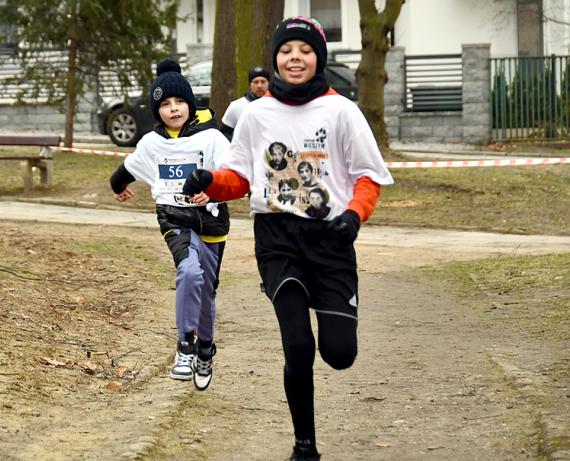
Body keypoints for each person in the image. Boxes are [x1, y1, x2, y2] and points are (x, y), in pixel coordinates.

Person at [182, 16, 394, 460]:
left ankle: (338, 320)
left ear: (318, 58)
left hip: (331, 239)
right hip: (277, 237)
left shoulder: (342, 111)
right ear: (276, 59)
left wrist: (354, 218)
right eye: (286, 51)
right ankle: (305, 447)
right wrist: (209, 180)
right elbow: (239, 179)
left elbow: (369, 178)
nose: (294, 57)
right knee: (298, 345)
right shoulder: (256, 115)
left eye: (304, 50)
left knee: (339, 354)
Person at [109, 59, 231, 392]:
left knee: (206, 292)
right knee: (188, 273)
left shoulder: (211, 138)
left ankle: (205, 349)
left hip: (211, 222)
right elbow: (127, 168)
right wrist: (118, 187)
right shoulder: (152, 143)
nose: (173, 109)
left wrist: (214, 189)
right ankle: (184, 347)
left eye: (178, 102)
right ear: (156, 110)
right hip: (174, 220)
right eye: (164, 104)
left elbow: (233, 175)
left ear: (190, 104)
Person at [220, 66, 270, 140]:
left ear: (268, 83)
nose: (259, 86)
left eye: (263, 82)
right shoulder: (236, 106)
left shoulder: (276, 106)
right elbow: (223, 132)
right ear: (250, 84)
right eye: (255, 82)